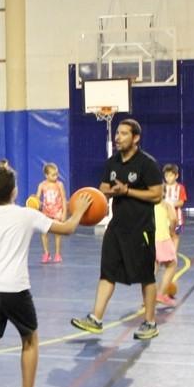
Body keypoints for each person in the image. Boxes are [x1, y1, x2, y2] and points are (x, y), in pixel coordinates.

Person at [0, 165, 92, 387]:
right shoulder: (27, 215)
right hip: (15, 289)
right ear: (14, 191)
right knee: (30, 340)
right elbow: (67, 228)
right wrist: (80, 210)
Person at [71, 119, 164, 340]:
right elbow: (103, 187)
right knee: (107, 272)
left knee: (146, 276)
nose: (117, 137)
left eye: (123, 134)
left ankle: (150, 323)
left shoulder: (147, 163)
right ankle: (96, 318)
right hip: (116, 228)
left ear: (136, 138)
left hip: (140, 229)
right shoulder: (112, 162)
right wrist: (111, 191)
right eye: (117, 133)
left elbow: (157, 195)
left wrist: (127, 191)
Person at [36, 162, 68, 263]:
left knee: (57, 233)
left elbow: (63, 199)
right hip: (46, 212)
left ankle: (57, 254)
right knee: (44, 232)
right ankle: (46, 253)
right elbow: (37, 198)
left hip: (57, 212)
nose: (56, 177)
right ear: (46, 175)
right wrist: (35, 203)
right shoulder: (42, 185)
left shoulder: (59, 185)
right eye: (53, 175)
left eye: (57, 174)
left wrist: (64, 213)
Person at [154, 198, 178, 307]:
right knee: (172, 264)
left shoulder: (145, 202)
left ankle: (147, 298)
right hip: (161, 237)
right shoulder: (165, 203)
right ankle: (160, 294)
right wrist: (172, 231)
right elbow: (173, 219)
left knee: (152, 269)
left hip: (147, 238)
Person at [162, 163, 187, 252]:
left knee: (175, 236)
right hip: (164, 218)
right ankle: (166, 253)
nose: (168, 178)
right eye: (166, 176)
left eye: (170, 175)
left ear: (176, 176)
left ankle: (173, 254)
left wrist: (170, 204)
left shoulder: (180, 188)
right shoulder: (163, 187)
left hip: (176, 218)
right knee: (165, 236)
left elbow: (181, 202)